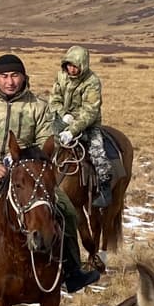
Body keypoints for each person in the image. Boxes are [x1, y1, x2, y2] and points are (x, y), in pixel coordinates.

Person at [0, 53, 100, 302]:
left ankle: (72, 271)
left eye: (15, 75)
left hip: (29, 174)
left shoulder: (38, 106)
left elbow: (48, 141)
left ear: (23, 77)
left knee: (67, 210)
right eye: (4, 76)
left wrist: (25, 162)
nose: (10, 81)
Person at [49, 44, 114, 208]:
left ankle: (105, 189)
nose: (71, 69)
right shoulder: (61, 76)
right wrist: (64, 114)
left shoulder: (92, 82)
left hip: (88, 124)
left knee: (98, 153)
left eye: (75, 66)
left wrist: (72, 130)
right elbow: (54, 100)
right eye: (69, 65)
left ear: (83, 65)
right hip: (63, 119)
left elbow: (90, 111)